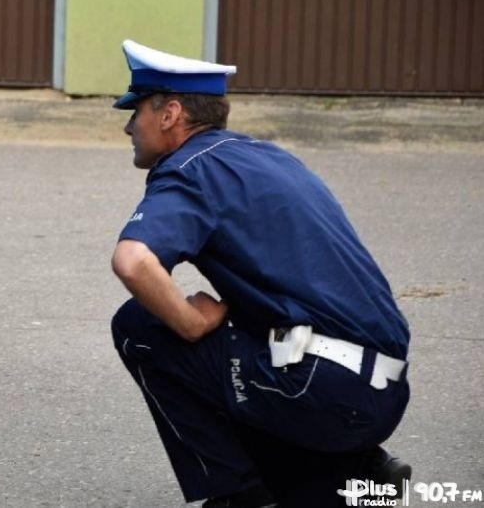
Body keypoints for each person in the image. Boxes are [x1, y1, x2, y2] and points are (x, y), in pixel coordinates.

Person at [109, 40, 411, 507]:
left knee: (141, 327)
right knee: (250, 335)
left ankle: (239, 496)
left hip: (321, 389)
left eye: (136, 112)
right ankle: (355, 473)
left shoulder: (188, 168)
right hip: (379, 389)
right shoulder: (267, 156)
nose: (129, 126)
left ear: (169, 114)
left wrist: (193, 321)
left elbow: (133, 261)